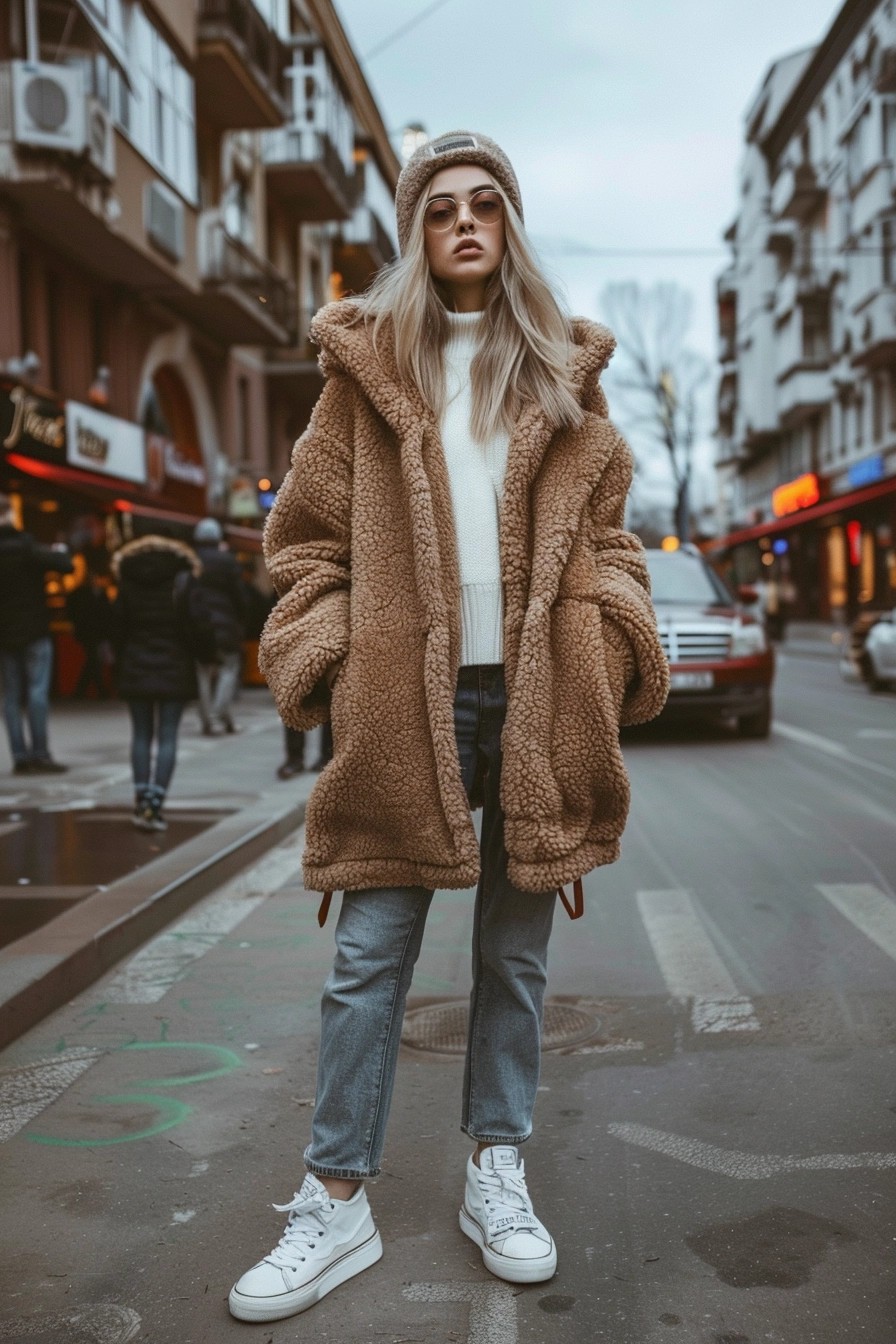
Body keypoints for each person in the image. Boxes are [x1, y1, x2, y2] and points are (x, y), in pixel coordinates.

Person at [230, 131, 669, 1323]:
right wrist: (326, 660)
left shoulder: (562, 375)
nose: (464, 223)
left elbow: (615, 539)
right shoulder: (364, 374)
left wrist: (616, 634)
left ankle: (494, 1169)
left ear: (508, 228)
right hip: (400, 703)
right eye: (441, 209)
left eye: (484, 206)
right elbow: (303, 545)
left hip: (535, 698)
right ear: (417, 233)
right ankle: (335, 1199)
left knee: (513, 960)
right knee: (368, 959)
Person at [111, 532, 200, 831]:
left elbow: (117, 628)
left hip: (136, 665)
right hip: (175, 665)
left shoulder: (127, 581)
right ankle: (155, 804)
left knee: (140, 735)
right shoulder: (183, 580)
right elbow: (198, 623)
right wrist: (206, 654)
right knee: (168, 735)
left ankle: (140, 798)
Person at [0, 493, 72, 774]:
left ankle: (20, 756)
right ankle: (40, 754)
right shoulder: (28, 547)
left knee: (10, 696)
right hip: (34, 631)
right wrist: (60, 550)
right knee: (37, 693)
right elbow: (65, 566)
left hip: (4, 634)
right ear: (11, 514)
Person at [190, 518, 247, 735]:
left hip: (197, 624)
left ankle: (208, 718)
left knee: (202, 671)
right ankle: (218, 712)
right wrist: (241, 620)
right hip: (225, 624)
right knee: (229, 668)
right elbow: (239, 596)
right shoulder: (228, 561)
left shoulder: (190, 561)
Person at [67, 566, 114, 699]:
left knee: (93, 660)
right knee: (94, 660)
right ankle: (98, 690)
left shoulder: (98, 593)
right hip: (88, 632)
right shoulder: (79, 594)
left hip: (95, 632)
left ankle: (82, 690)